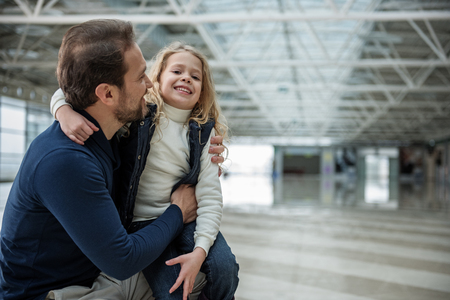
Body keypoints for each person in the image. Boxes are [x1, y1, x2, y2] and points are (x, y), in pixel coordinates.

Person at [0, 19, 225, 300]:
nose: (149, 84)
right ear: (107, 94)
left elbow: (77, 82)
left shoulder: (106, 132)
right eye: (141, 76)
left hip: (95, 273)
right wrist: (178, 211)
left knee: (207, 274)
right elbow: (122, 261)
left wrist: (200, 161)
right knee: (186, 287)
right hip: (57, 292)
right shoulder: (66, 161)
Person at [51, 42, 239, 300]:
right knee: (173, 292)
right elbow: (72, 91)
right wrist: (63, 112)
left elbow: (210, 197)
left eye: (195, 76)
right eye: (176, 71)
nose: (186, 77)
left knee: (224, 268)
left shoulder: (205, 133)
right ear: (156, 78)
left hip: (184, 220)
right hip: (142, 226)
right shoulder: (137, 116)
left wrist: (200, 250)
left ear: (202, 91)